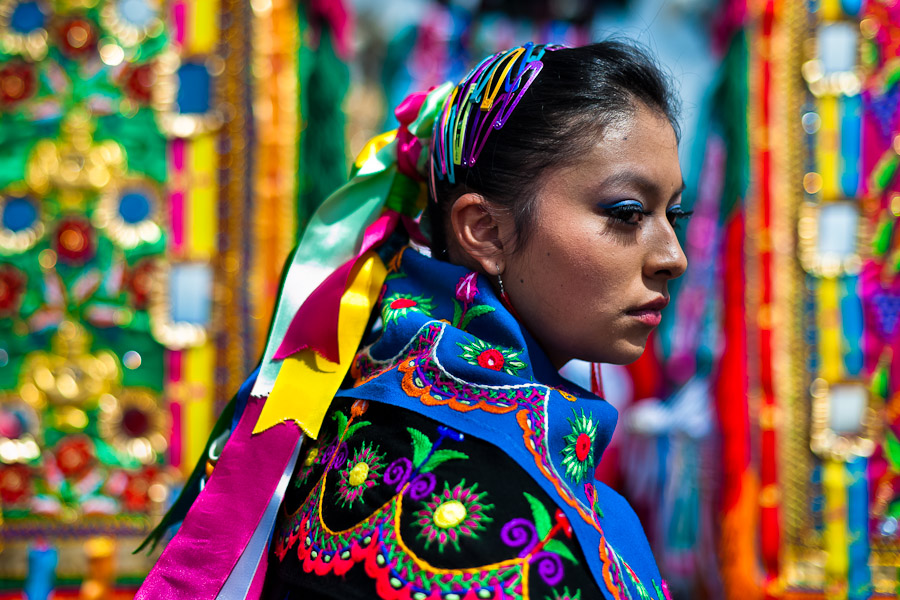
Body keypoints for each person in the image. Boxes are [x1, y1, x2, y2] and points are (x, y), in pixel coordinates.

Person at [136, 41, 689, 600]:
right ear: (486, 231)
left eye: (675, 213)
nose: (674, 256)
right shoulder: (483, 502)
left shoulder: (357, 408)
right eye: (627, 213)